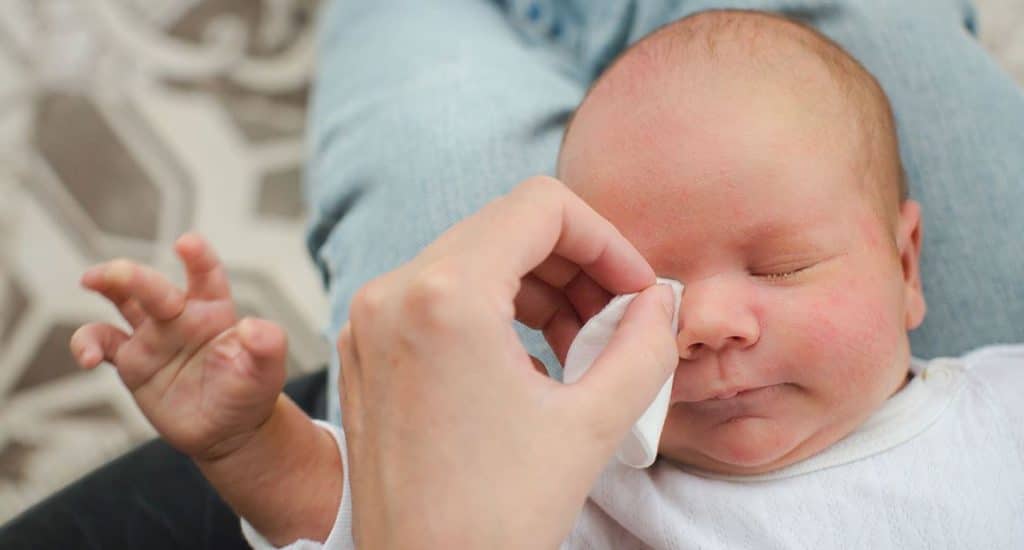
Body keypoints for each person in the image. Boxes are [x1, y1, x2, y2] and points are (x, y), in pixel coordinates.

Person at [2, 1, 1022, 548]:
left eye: (783, 265)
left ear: (905, 263)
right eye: (641, 288)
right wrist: (261, 443)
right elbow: (374, 508)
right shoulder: (582, 477)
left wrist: (247, 443)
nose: (703, 320)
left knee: (422, 87)